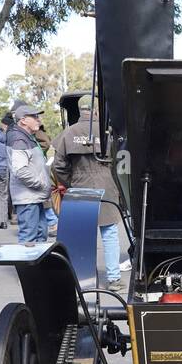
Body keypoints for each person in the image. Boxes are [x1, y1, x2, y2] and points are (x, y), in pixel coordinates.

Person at [52, 103, 124, 288]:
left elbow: (58, 166)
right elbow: (121, 160)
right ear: (96, 111)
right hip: (107, 186)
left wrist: (70, 183)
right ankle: (114, 279)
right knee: (109, 234)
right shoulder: (109, 132)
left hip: (80, 186)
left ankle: (84, 280)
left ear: (81, 111)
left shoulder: (69, 133)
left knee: (84, 236)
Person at [6, 103, 53, 245]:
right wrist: (41, 184)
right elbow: (21, 171)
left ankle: (39, 267)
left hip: (33, 197)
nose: (38, 120)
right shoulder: (19, 138)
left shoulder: (25, 136)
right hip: (28, 198)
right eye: (34, 116)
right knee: (29, 240)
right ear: (23, 120)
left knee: (40, 236)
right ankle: (28, 267)